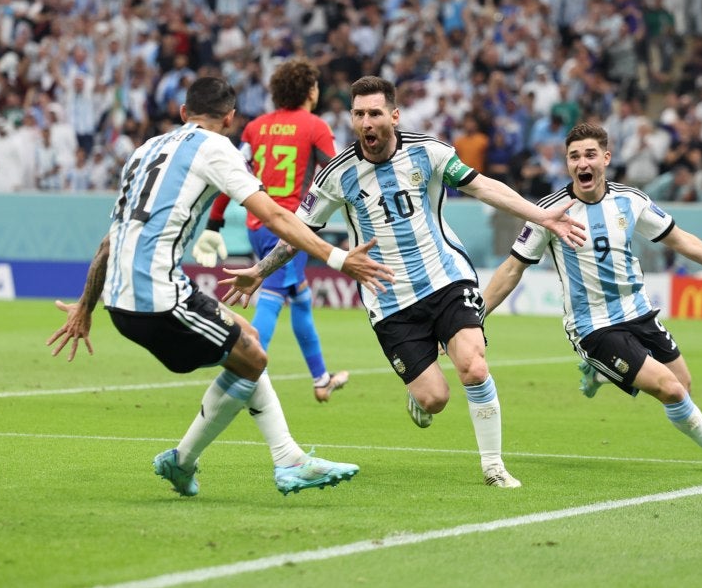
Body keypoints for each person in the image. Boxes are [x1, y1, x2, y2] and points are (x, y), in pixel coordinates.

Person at [220, 76, 587, 489]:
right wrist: (259, 270)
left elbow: (482, 186)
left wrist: (540, 215)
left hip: (445, 278)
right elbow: (299, 232)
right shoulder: (337, 175)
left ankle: (493, 466)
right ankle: (420, 396)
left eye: (375, 113)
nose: (366, 122)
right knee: (435, 397)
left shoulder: (428, 152)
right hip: (390, 298)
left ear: (393, 115)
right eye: (359, 114)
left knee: (473, 364)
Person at [46, 77, 395, 498]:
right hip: (156, 298)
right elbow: (278, 216)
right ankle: (273, 461)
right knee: (252, 357)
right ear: (230, 118)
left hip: (124, 296)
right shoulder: (216, 148)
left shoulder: (143, 151)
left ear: (181, 113)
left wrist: (86, 305)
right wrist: (339, 258)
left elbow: (110, 238)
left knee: (246, 344)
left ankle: (241, 460)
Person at [483, 122, 702, 475]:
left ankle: (601, 374)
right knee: (670, 389)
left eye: (590, 154)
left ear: (606, 158)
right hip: (593, 325)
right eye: (574, 157)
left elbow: (679, 240)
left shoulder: (630, 200)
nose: (582, 163)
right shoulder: (550, 211)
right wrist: (476, 315)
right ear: (567, 163)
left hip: (638, 312)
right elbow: (513, 269)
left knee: (682, 384)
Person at [192, 59, 349, 403]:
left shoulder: (255, 128)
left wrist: (215, 222)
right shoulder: (316, 127)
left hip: (256, 223)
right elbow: (339, 176)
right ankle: (240, 371)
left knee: (302, 300)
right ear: (310, 90)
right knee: (272, 300)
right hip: (290, 229)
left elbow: (230, 177)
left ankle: (321, 379)